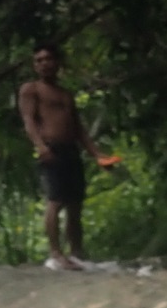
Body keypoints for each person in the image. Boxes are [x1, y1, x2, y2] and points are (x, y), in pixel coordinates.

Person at [17, 42, 106, 270]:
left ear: (57, 63)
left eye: (48, 59)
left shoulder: (66, 94)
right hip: (50, 148)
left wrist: (97, 155)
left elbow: (79, 129)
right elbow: (28, 120)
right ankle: (56, 253)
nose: (44, 64)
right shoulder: (31, 89)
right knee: (55, 201)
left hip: (71, 150)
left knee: (75, 203)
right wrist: (40, 147)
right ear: (34, 65)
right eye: (39, 60)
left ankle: (77, 252)